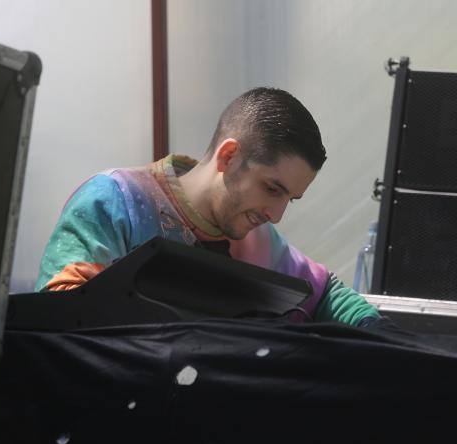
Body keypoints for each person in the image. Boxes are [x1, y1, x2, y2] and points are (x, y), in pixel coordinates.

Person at [36, 87, 379, 326]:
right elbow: (57, 312)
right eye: (272, 188)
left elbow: (323, 294)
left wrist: (381, 333)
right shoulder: (115, 201)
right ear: (229, 156)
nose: (276, 215)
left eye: (290, 199)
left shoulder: (258, 240)